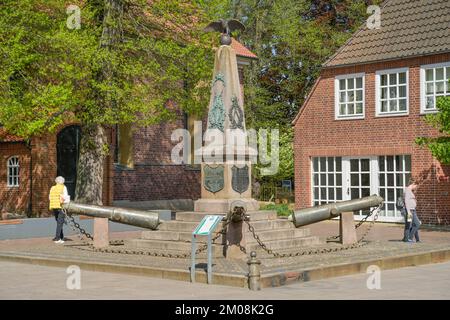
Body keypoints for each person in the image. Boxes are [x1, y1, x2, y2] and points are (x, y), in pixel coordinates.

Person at [49, 176, 69, 244]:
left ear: (56, 181)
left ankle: (61, 237)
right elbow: (65, 198)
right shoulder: (63, 187)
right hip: (61, 207)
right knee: (60, 223)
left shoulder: (52, 188)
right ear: (63, 181)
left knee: (58, 222)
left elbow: (49, 197)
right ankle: (57, 238)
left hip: (54, 207)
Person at [404, 178, 421, 243]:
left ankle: (407, 238)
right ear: (413, 184)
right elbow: (406, 201)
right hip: (410, 211)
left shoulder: (410, 190)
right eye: (416, 186)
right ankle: (409, 237)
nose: (416, 187)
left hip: (413, 210)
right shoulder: (408, 190)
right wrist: (408, 212)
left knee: (410, 225)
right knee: (416, 224)